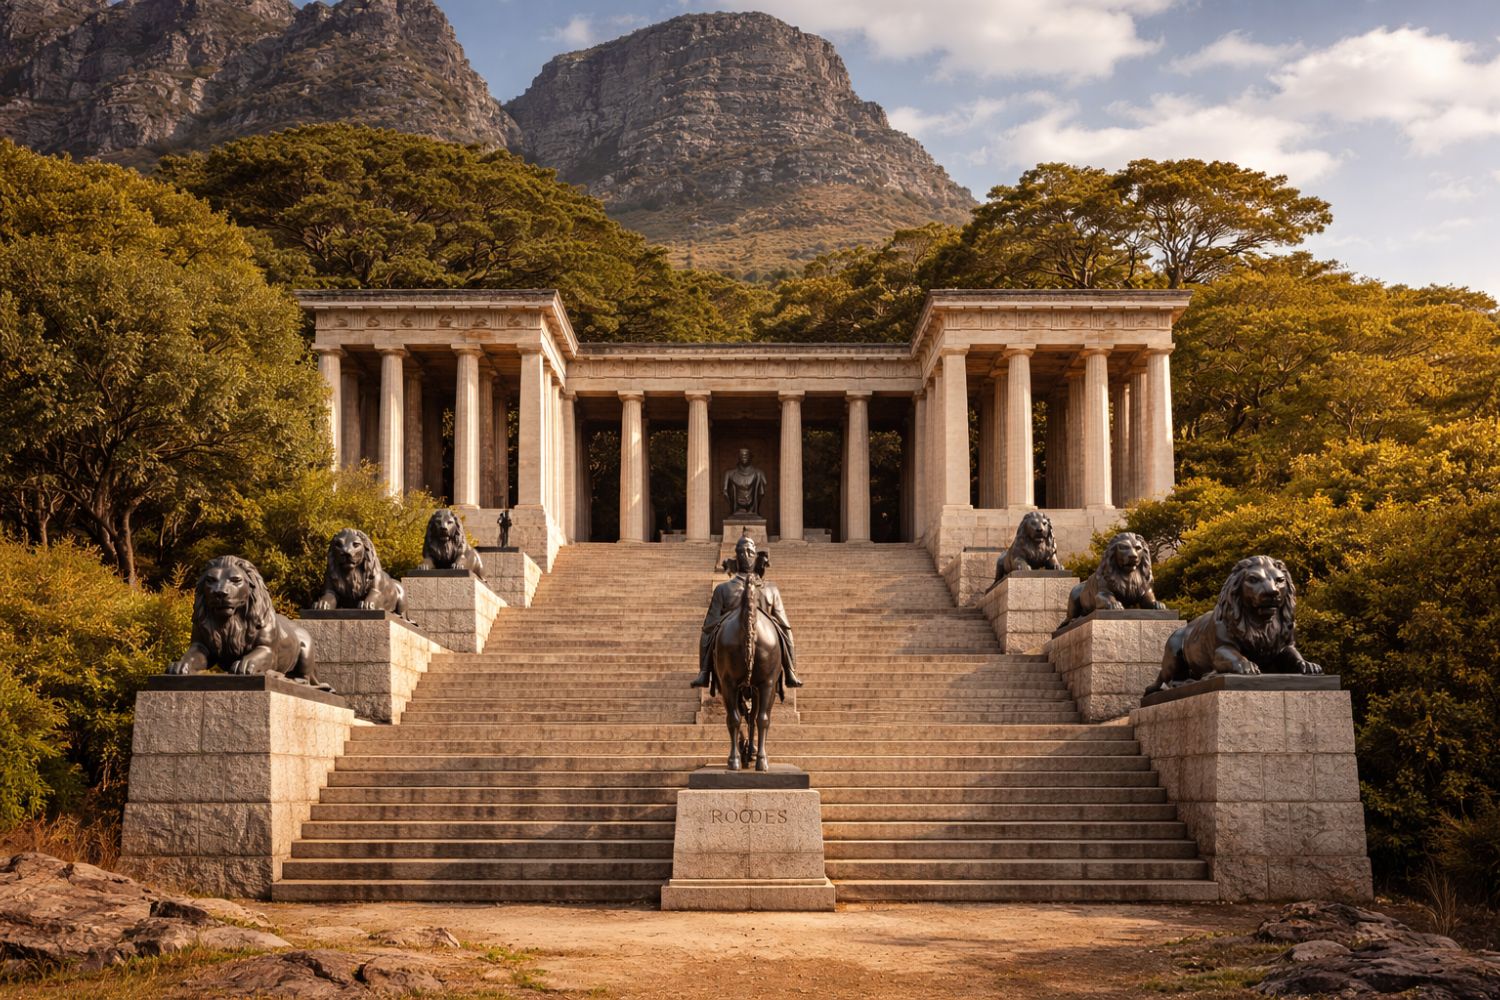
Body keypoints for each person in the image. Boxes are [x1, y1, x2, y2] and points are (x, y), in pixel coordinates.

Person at [692, 533, 802, 690]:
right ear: (736, 556)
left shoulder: (771, 589)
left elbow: (783, 623)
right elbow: (710, 624)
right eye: (741, 552)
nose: (746, 556)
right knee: (707, 630)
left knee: (785, 629)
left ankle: (791, 671)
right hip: (730, 629)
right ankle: (704, 671)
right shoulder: (722, 589)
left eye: (750, 552)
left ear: (756, 556)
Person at [722, 448, 767, 516]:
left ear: (750, 457)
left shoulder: (759, 473)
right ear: (738, 458)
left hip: (752, 508)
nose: (744, 457)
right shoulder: (729, 474)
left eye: (746, 455)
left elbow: (764, 488)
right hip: (736, 508)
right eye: (741, 455)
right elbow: (725, 492)